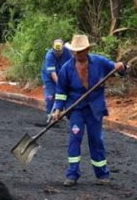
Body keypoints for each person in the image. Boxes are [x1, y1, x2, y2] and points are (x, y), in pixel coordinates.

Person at [51, 34, 126, 187]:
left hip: (94, 108)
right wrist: (58, 108)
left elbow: (119, 70)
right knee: (75, 138)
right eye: (76, 51)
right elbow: (61, 91)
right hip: (76, 108)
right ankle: (72, 174)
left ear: (87, 50)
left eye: (81, 51)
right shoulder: (66, 69)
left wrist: (121, 67)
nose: (78, 54)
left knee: (96, 139)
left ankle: (102, 174)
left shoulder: (99, 62)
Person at [41, 38, 71, 122]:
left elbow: (71, 65)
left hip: (62, 74)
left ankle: (60, 113)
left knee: (63, 94)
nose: (58, 53)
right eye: (56, 51)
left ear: (63, 48)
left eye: (59, 51)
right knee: (51, 94)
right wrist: (60, 84)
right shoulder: (49, 55)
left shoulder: (67, 52)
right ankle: (50, 114)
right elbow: (52, 73)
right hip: (49, 77)